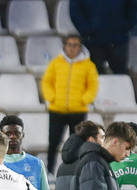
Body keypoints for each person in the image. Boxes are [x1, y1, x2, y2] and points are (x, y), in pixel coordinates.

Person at [70, 0, 137, 74]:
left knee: (120, 75)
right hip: (94, 40)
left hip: (118, 39)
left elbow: (131, 5)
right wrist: (87, 30)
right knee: (95, 75)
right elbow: (76, 12)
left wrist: (127, 25)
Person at [41, 34, 99, 174]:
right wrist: (51, 97)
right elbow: (46, 82)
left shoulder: (88, 65)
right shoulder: (55, 63)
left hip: (78, 110)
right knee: (53, 142)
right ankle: (49, 171)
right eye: (69, 44)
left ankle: (74, 171)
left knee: (76, 144)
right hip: (57, 109)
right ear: (65, 46)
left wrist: (84, 99)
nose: (72, 48)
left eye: (75, 45)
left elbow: (93, 85)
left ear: (80, 47)